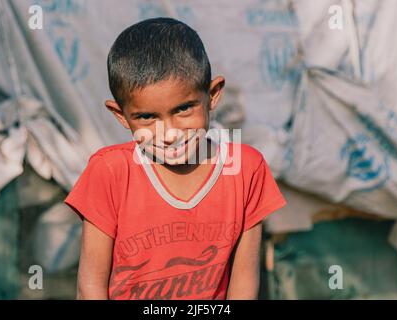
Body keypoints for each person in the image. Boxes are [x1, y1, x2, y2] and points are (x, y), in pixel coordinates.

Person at [65, 17, 286, 300]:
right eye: (147, 117)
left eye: (183, 109)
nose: (169, 134)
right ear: (121, 115)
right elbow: (90, 288)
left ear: (213, 95)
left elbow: (243, 286)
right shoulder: (110, 172)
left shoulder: (245, 170)